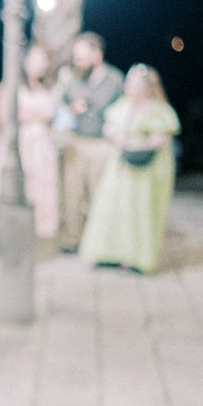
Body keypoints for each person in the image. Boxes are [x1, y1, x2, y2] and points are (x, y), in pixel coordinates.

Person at [79, 65, 181, 273]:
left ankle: (137, 258)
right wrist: (118, 137)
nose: (129, 87)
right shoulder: (122, 106)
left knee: (139, 211)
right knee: (113, 207)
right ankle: (109, 253)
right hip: (120, 167)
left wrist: (135, 144)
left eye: (134, 84)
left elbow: (161, 138)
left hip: (145, 169)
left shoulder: (159, 109)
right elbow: (108, 126)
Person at [60, 32, 124, 251]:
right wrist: (71, 109)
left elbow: (124, 110)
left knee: (100, 195)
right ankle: (73, 238)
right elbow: (61, 110)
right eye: (75, 58)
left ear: (96, 54)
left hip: (101, 144)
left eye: (81, 57)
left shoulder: (115, 80)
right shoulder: (73, 79)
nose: (77, 62)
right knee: (72, 195)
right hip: (76, 142)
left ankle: (100, 241)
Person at [0, 44, 61, 238]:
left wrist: (33, 115)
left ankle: (38, 229)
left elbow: (50, 117)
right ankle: (10, 227)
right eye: (36, 59)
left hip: (42, 147)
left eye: (43, 61)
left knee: (40, 186)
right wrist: (35, 115)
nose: (41, 65)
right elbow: (2, 117)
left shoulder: (47, 89)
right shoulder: (9, 86)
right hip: (18, 143)